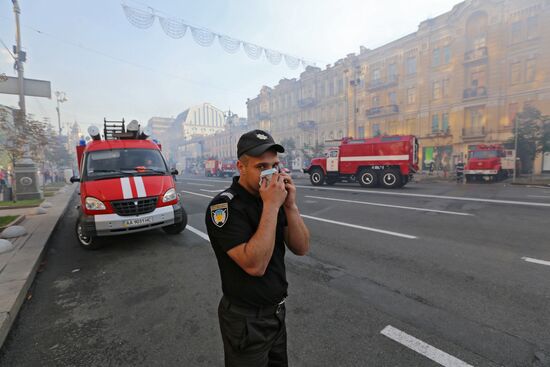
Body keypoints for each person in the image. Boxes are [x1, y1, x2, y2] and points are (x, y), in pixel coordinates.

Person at [205, 129, 310, 367]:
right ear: (241, 167)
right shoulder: (224, 207)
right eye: (261, 167)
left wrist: (291, 206)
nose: (271, 173)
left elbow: (301, 247)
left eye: (275, 165)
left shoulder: (275, 199)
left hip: (275, 313)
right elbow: (255, 265)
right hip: (245, 321)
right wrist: (272, 206)